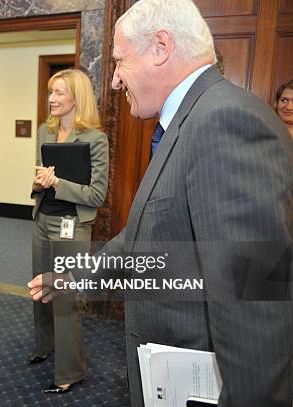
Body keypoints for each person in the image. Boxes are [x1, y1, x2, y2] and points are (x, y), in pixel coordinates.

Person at [28, 0, 292, 406]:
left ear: (161, 47)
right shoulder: (189, 121)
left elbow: (254, 299)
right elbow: (141, 234)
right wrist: (72, 277)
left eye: (118, 62)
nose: (115, 80)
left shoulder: (223, 122)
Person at [29, 69, 108, 393]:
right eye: (51, 92)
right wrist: (37, 184)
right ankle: (45, 346)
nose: (52, 99)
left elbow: (97, 195)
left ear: (78, 97)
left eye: (59, 93)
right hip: (42, 220)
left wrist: (58, 183)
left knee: (65, 299)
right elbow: (38, 181)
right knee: (40, 293)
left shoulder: (95, 139)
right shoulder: (44, 132)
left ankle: (69, 371)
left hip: (72, 227)